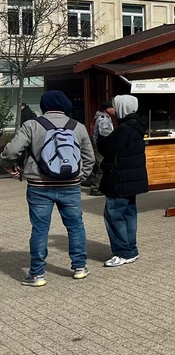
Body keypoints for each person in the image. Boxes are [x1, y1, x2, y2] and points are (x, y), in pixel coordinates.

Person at [0, 90, 94, 286]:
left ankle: (37, 274)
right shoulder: (78, 127)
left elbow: (11, 151)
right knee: (75, 226)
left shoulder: (32, 125)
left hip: (39, 187)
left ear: (43, 106)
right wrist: (79, 177)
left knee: (40, 229)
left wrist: (9, 166)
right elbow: (89, 158)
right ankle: (79, 267)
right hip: (70, 186)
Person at [97, 95, 148, 267]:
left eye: (116, 105)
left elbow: (105, 147)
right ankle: (131, 249)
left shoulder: (124, 129)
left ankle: (123, 252)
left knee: (114, 215)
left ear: (122, 108)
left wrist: (100, 138)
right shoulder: (137, 126)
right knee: (129, 214)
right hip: (131, 179)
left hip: (119, 178)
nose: (114, 109)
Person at [87, 101, 115, 196]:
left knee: (98, 165)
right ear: (108, 109)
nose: (114, 110)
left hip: (100, 144)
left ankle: (95, 184)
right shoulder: (103, 119)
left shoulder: (105, 117)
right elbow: (103, 132)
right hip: (100, 145)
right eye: (113, 108)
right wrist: (114, 135)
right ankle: (95, 188)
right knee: (101, 166)